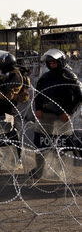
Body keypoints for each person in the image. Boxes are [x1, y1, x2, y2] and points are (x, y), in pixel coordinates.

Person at [32, 49, 82, 178]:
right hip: (45, 115)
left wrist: (69, 112)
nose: (51, 64)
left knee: (62, 145)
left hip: (62, 117)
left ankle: (60, 171)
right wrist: (38, 109)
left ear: (60, 61)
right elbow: (38, 94)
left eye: (54, 62)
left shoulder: (69, 76)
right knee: (41, 143)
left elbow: (79, 96)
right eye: (49, 62)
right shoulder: (45, 77)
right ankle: (39, 170)